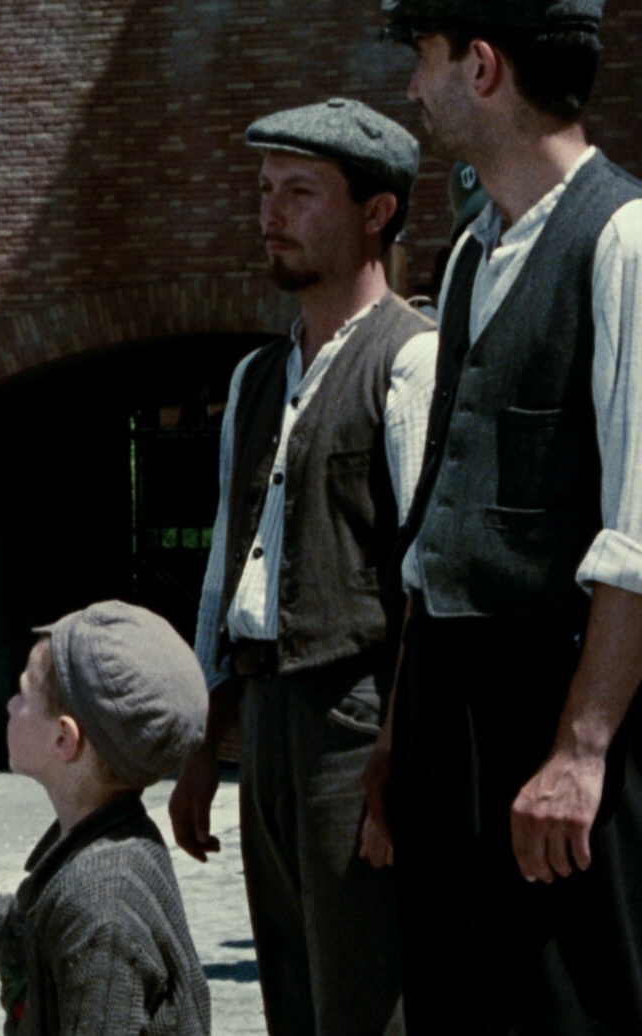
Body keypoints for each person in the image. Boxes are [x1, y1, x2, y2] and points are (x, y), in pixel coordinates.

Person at [367, 1, 642, 1032]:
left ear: (482, 67)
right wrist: (400, 734)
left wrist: (581, 750)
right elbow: (436, 526)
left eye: (424, 59)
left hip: (551, 703)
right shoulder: (472, 255)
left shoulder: (624, 239)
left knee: (564, 1011)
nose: (413, 87)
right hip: (448, 709)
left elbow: (640, 533)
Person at [168, 97, 431, 1036]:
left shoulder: (412, 360)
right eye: (266, 190)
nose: (271, 214)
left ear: (377, 213)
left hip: (356, 722)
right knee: (292, 995)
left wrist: (397, 756)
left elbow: (426, 587)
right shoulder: (256, 378)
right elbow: (223, 577)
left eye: (301, 193)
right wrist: (204, 745)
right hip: (268, 717)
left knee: (365, 1000)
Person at [0, 602, 209, 1036]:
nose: (10, 704)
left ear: (65, 738)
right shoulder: (106, 845)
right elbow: (23, 932)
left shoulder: (102, 905)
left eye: (24, 694)